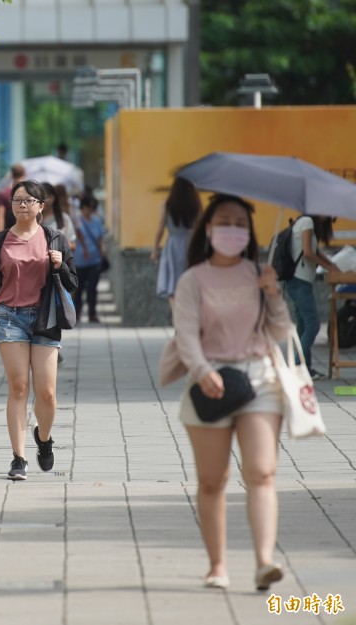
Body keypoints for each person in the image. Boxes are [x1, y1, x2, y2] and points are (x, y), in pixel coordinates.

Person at [164, 193, 292, 591]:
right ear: (208, 228)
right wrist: (202, 370)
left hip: (260, 380)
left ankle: (264, 562)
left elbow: (282, 331)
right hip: (210, 383)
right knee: (212, 481)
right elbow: (185, 334)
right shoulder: (192, 279)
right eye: (225, 221)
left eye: (240, 223)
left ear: (250, 231)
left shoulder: (260, 273)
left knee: (262, 471)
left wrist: (272, 292)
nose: (233, 229)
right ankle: (217, 565)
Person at [0, 180, 78, 480]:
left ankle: (44, 438)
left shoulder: (55, 240)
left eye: (28, 200)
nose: (22, 205)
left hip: (45, 318)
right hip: (8, 317)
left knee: (48, 393)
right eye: (17, 200)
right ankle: (18, 457)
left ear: (41, 206)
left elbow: (72, 285)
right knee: (18, 387)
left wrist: (60, 265)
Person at [284, 215, 339, 380]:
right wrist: (329, 267)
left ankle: (304, 368)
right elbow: (308, 252)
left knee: (303, 325)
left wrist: (332, 265)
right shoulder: (307, 222)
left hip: (298, 280)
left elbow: (313, 251)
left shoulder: (305, 223)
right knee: (313, 325)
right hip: (299, 280)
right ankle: (296, 367)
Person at [152, 177, 202, 302]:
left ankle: (176, 314)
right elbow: (201, 226)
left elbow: (160, 229)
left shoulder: (167, 204)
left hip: (172, 245)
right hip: (191, 244)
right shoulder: (196, 204)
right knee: (191, 281)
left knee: (172, 283)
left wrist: (155, 249)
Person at [73, 193, 106, 323]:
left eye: (92, 207)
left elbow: (101, 237)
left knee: (92, 288)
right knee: (79, 288)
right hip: (79, 260)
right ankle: (77, 313)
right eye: (87, 206)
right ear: (83, 207)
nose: (89, 210)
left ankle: (92, 314)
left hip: (95, 260)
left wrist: (103, 248)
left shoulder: (97, 221)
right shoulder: (77, 222)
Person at [0, 163, 26, 229]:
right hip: (27, 231)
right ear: (25, 174)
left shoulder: (4, 193)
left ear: (12, 175)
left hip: (9, 231)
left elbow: (0, 217)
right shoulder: (31, 192)